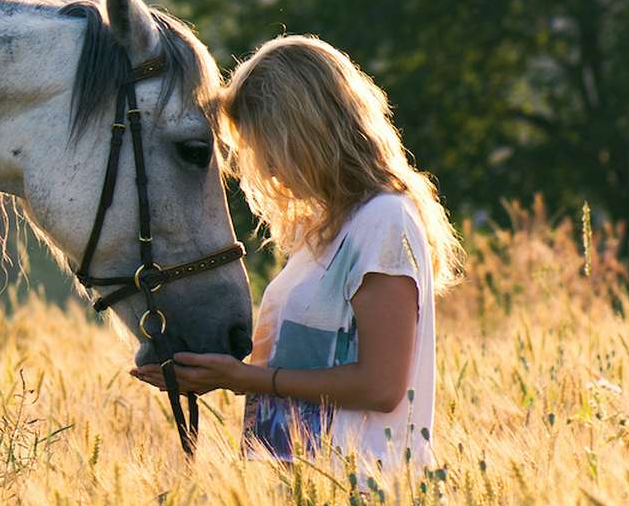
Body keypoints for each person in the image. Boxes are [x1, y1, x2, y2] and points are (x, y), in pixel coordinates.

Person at [132, 35, 463, 469]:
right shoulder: (325, 231)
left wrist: (243, 379)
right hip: (297, 488)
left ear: (302, 132)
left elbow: (382, 386)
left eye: (264, 146)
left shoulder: (384, 220)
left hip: (357, 491)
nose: (264, 168)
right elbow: (311, 364)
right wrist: (209, 373)